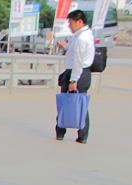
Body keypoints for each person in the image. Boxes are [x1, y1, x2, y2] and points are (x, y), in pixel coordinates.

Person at [56, 9, 94, 144]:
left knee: (67, 102)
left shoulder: (82, 38)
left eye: (71, 23)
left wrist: (73, 80)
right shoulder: (83, 35)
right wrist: (66, 47)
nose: (69, 26)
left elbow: (78, 61)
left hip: (77, 73)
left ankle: (61, 131)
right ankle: (81, 135)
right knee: (79, 103)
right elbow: (75, 56)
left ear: (79, 21)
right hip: (80, 72)